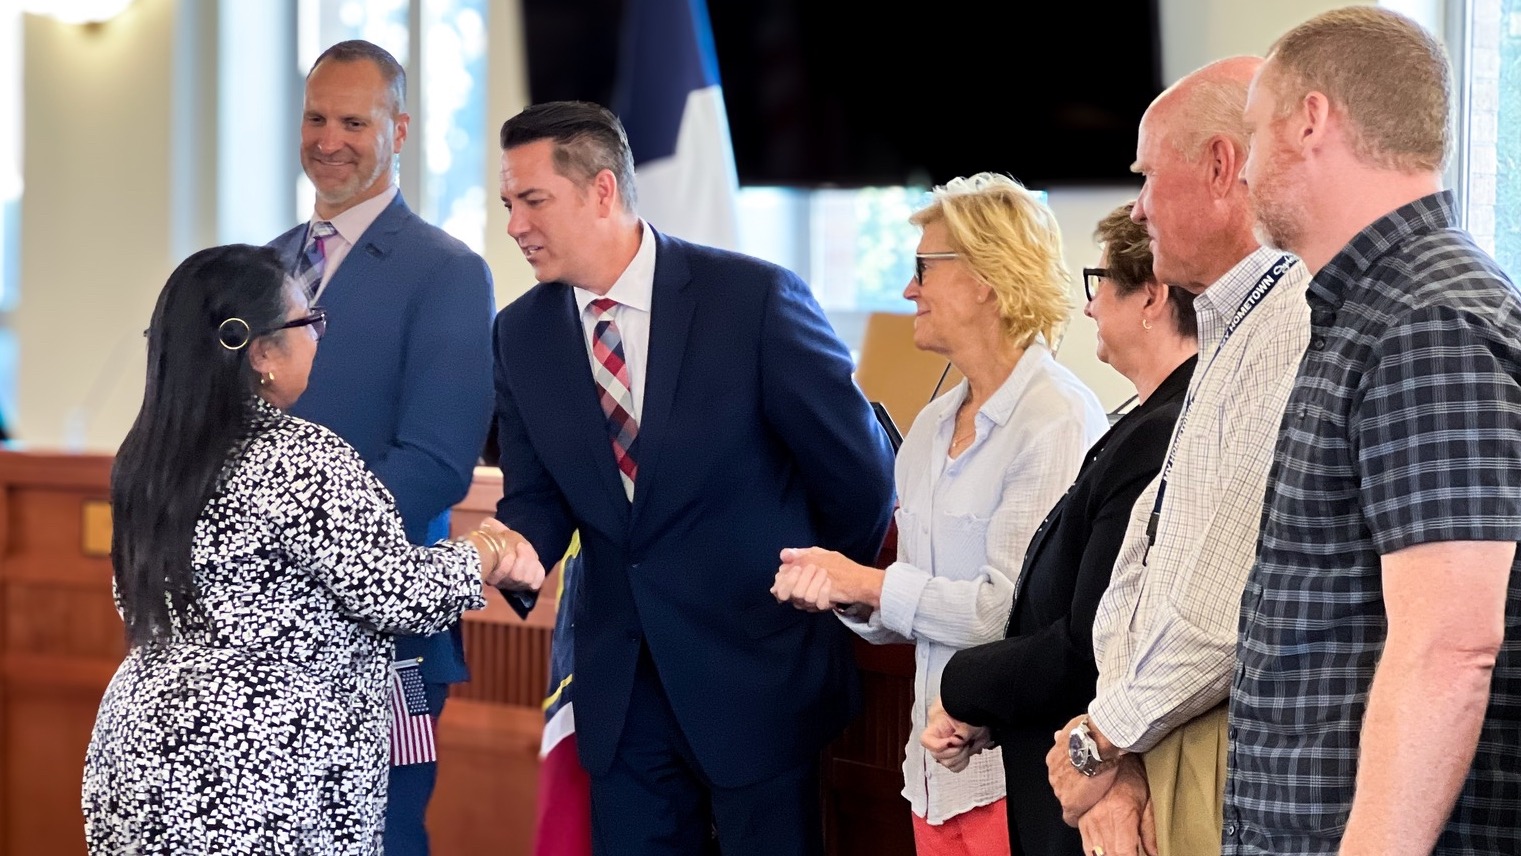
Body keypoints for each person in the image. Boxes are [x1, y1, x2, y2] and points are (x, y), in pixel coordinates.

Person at [489, 100, 896, 856]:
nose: (514, 224)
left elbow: (859, 475)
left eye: (532, 199)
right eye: (508, 203)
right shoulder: (519, 333)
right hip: (622, 690)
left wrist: (811, 589)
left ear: (601, 191)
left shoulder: (752, 301)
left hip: (757, 675)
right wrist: (513, 551)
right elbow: (537, 498)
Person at [81, 244, 543, 856]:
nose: (318, 340)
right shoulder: (301, 457)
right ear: (263, 353)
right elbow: (399, 593)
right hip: (255, 768)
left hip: (137, 751)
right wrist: (484, 548)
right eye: (308, 323)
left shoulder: (146, 458)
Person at [1227, 8, 1521, 854]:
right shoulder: (1370, 310)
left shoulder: (1426, 322)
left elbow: (1449, 650)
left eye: (1251, 134)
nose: (1242, 171)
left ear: (1309, 120)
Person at [770, 172, 1109, 854]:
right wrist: (845, 599)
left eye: (923, 268)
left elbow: (1006, 615)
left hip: (1013, 776)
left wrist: (864, 582)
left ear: (985, 275)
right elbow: (916, 610)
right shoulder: (929, 427)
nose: (907, 290)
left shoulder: (1057, 419)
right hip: (929, 774)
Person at [1040, 56, 1312, 856]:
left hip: (1216, 739)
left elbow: (1224, 609)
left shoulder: (1294, 324)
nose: (1139, 207)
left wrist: (1100, 740)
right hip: (1153, 733)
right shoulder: (1230, 325)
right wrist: (1111, 750)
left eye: (1149, 177)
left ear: (1221, 167)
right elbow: (1144, 553)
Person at [265, 40, 495, 856]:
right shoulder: (264, 266)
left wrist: (290, 549)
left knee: (379, 838)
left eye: (353, 121)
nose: (329, 139)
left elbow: (436, 464)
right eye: (316, 118)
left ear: (399, 129)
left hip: (380, 639)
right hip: (252, 647)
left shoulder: (448, 272)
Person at [921, 201, 1198, 855]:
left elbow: (1088, 643)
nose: (1089, 307)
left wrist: (962, 683)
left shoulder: (1159, 434)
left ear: (1151, 296)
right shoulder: (1145, 419)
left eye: (1099, 283)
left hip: (1100, 783)